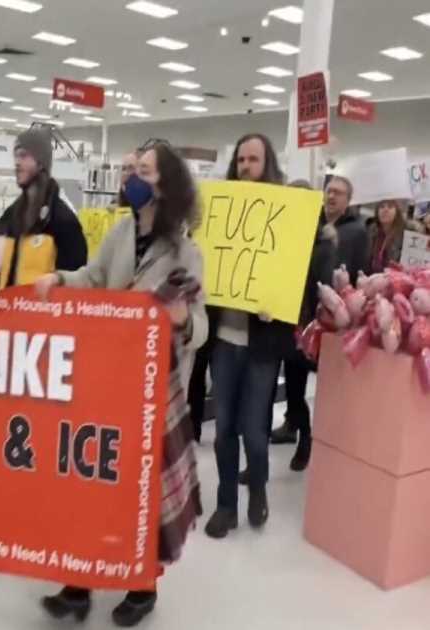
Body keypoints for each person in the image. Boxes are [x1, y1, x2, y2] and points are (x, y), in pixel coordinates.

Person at [35, 143, 205, 627]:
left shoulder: (184, 252)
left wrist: (182, 320)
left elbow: (201, 324)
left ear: (164, 185)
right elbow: (93, 277)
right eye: (129, 168)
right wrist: (61, 280)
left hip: (153, 392)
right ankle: (78, 581)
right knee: (93, 482)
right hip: (107, 381)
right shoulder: (119, 232)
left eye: (141, 170)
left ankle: (142, 585)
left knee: (140, 492)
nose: (129, 176)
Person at [204, 133, 291, 540]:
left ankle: (257, 487)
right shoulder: (221, 214)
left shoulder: (285, 220)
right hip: (223, 338)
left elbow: (297, 280)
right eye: (241, 159)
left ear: (267, 163)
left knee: (255, 432)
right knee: (223, 430)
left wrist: (280, 305)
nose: (246, 166)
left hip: (261, 344)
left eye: (254, 159)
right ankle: (226, 505)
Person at [270, 175, 368, 447]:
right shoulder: (313, 227)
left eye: (338, 192)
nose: (331, 196)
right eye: (329, 191)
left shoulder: (356, 232)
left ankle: (325, 438)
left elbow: (363, 273)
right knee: (294, 380)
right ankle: (301, 433)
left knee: (326, 384)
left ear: (348, 200)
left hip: (334, 322)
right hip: (302, 316)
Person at [0, 127, 87, 288]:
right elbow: (3, 273)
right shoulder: (11, 216)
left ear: (41, 163)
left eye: (24, 155)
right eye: (16, 156)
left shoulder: (63, 221)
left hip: (41, 311)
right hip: (7, 309)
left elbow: (74, 286)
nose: (17, 162)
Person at [368, 199, 407, 273]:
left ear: (397, 212)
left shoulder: (404, 233)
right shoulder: (371, 230)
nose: (385, 210)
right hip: (371, 279)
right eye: (382, 207)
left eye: (390, 207)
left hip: (394, 280)